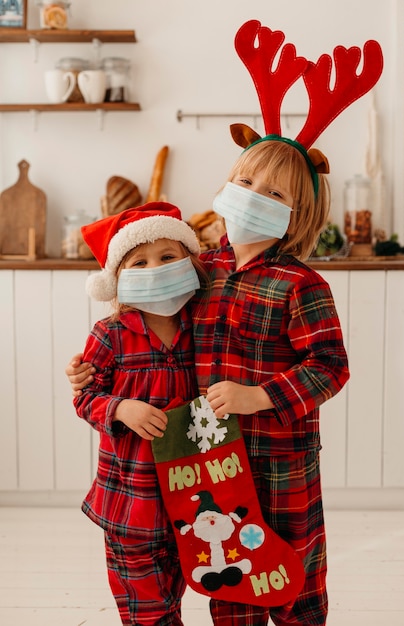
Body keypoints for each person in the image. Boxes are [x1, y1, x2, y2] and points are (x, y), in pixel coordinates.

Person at [67, 133, 349, 625]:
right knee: (233, 573)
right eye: (246, 180)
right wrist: (93, 373)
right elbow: (151, 323)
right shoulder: (202, 271)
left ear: (298, 213)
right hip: (217, 464)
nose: (256, 194)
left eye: (276, 193)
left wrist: (259, 396)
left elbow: (329, 366)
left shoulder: (301, 284)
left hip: (282, 461)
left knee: (294, 576)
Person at [70, 201, 208, 626]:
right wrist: (120, 407)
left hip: (190, 497)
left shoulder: (203, 325)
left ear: (189, 262)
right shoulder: (109, 334)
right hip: (131, 497)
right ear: (117, 279)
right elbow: (85, 396)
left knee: (176, 591)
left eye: (168, 257)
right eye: (139, 262)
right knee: (145, 608)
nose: (155, 269)